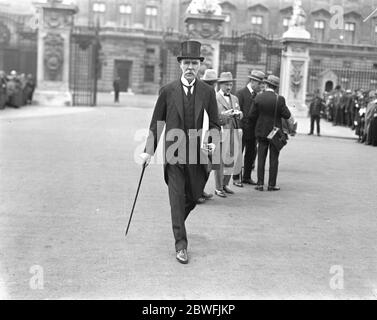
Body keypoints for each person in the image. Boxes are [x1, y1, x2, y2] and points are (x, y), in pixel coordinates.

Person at [139, 41, 220, 264]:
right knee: (176, 199)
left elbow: (214, 124)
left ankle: (177, 222)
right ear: (180, 65)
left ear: (199, 66)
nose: (190, 67)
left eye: (194, 63)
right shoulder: (168, 91)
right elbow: (157, 122)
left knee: (193, 197)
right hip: (174, 154)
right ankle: (181, 245)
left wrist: (212, 141)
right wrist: (148, 151)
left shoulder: (207, 92)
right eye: (187, 63)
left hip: (197, 154)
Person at [249, 75, 291, 191]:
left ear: (266, 85)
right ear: (276, 87)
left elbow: (251, 115)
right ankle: (272, 184)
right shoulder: (280, 99)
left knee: (261, 157)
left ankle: (260, 184)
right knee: (274, 158)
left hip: (261, 131)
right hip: (275, 132)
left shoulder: (259, 98)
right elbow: (287, 115)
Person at [233, 70, 265, 186]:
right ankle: (236, 177)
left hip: (253, 131)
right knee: (238, 154)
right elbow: (237, 112)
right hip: (242, 130)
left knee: (250, 154)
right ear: (252, 81)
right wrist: (239, 128)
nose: (261, 86)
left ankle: (246, 177)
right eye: (259, 83)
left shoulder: (259, 96)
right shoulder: (240, 93)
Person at [214, 72, 243, 197]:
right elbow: (214, 117)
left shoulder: (235, 98)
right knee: (220, 161)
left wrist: (238, 113)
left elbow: (241, 114)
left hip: (233, 131)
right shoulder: (215, 98)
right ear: (220, 85)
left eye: (230, 85)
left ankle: (226, 184)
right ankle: (218, 187)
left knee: (231, 159)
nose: (229, 87)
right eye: (226, 84)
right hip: (222, 131)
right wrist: (225, 115)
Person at [195, 68, 219, 204]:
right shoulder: (202, 94)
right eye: (210, 82)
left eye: (213, 82)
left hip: (212, 133)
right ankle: (196, 192)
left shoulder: (212, 94)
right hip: (202, 134)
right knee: (201, 165)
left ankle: (200, 189)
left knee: (208, 166)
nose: (212, 85)